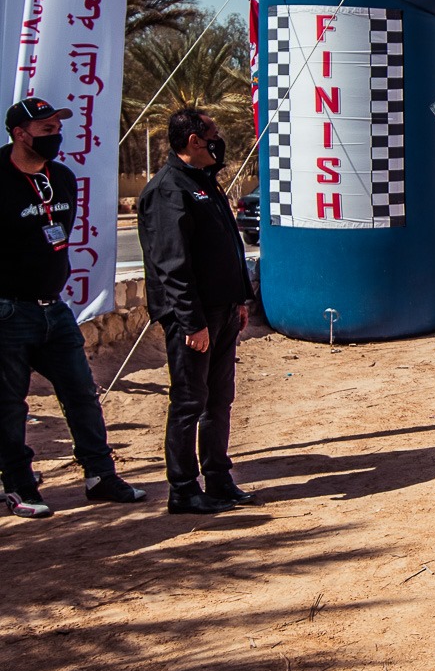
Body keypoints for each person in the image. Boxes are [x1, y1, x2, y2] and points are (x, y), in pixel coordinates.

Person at [1, 98, 147, 516]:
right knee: (10, 403)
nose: (55, 135)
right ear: (20, 134)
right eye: (45, 129)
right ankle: (19, 485)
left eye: (56, 127)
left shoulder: (62, 178)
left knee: (82, 391)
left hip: (55, 310)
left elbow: (59, 235)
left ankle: (100, 475)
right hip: (8, 311)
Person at [139, 107, 255, 515]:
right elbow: (171, 265)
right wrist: (191, 322)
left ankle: (219, 479)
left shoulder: (205, 183)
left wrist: (240, 300)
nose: (217, 140)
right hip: (194, 319)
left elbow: (228, 249)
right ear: (193, 140)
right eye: (212, 133)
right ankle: (184, 488)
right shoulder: (168, 190)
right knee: (190, 402)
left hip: (224, 312)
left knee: (219, 399)